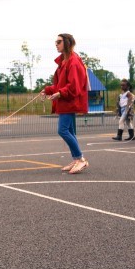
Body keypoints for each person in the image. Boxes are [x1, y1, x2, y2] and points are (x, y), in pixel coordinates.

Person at [43, 33, 90, 174]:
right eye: (55, 42)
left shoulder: (73, 61)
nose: (56, 44)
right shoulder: (64, 62)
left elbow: (74, 85)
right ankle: (76, 159)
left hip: (70, 101)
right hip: (65, 101)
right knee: (69, 131)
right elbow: (60, 84)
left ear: (67, 43)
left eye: (59, 41)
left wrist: (60, 93)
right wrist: (48, 90)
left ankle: (80, 159)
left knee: (62, 130)